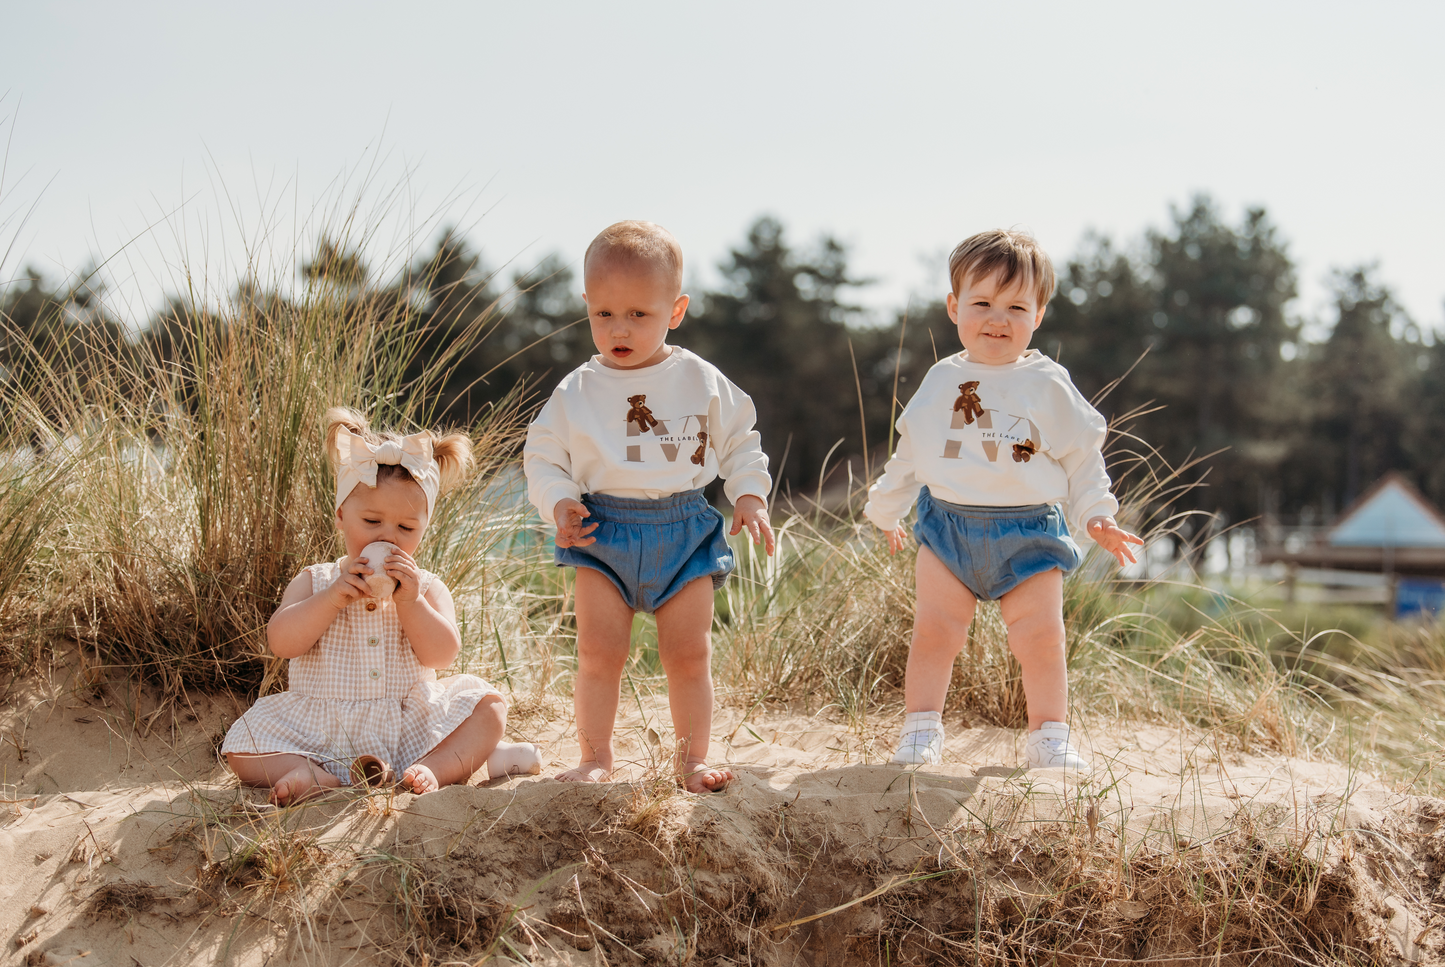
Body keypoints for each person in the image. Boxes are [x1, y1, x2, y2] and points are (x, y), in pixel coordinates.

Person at [863, 230, 1142, 772]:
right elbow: (911, 454)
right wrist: (884, 509)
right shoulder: (942, 378)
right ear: (954, 307)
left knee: (1040, 638)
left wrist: (1098, 515)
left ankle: (1050, 737)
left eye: (1016, 306)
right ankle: (921, 729)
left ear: (1038, 315)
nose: (998, 318)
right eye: (982, 303)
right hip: (947, 529)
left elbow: (1082, 459)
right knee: (935, 633)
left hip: (1031, 531)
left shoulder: (1047, 382)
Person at [524, 220, 775, 793]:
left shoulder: (699, 379)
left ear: (676, 310)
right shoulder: (576, 390)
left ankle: (692, 761)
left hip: (683, 527)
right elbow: (542, 455)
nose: (620, 328)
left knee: (688, 656)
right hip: (599, 529)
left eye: (640, 314)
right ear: (586, 305)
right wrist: (559, 502)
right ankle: (595, 756)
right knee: (597, 654)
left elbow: (740, 439)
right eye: (605, 313)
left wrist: (749, 493)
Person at [222, 408, 541, 804]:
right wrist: (331, 599)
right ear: (340, 516)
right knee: (241, 747)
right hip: (323, 727)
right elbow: (283, 643)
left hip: (408, 726)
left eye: (406, 528)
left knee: (490, 710)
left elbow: (442, 654)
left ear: (425, 528)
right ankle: (313, 774)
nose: (388, 537)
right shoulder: (316, 580)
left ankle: (434, 768)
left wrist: (411, 602)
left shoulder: (426, 587)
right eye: (372, 522)